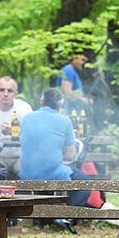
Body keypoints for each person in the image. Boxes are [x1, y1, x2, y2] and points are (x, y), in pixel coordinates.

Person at [20, 88, 110, 225]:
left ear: (41, 101)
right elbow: (70, 155)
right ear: (60, 105)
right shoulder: (64, 121)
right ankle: (68, 216)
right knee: (83, 182)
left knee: (46, 170)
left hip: (26, 171)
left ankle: (45, 220)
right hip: (51, 172)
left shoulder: (26, 118)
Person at [0, 76, 32, 178]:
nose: (6, 94)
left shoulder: (24, 108)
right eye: (2, 90)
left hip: (20, 155)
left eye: (10, 91)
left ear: (16, 93)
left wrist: (15, 131)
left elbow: (32, 135)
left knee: (25, 173)